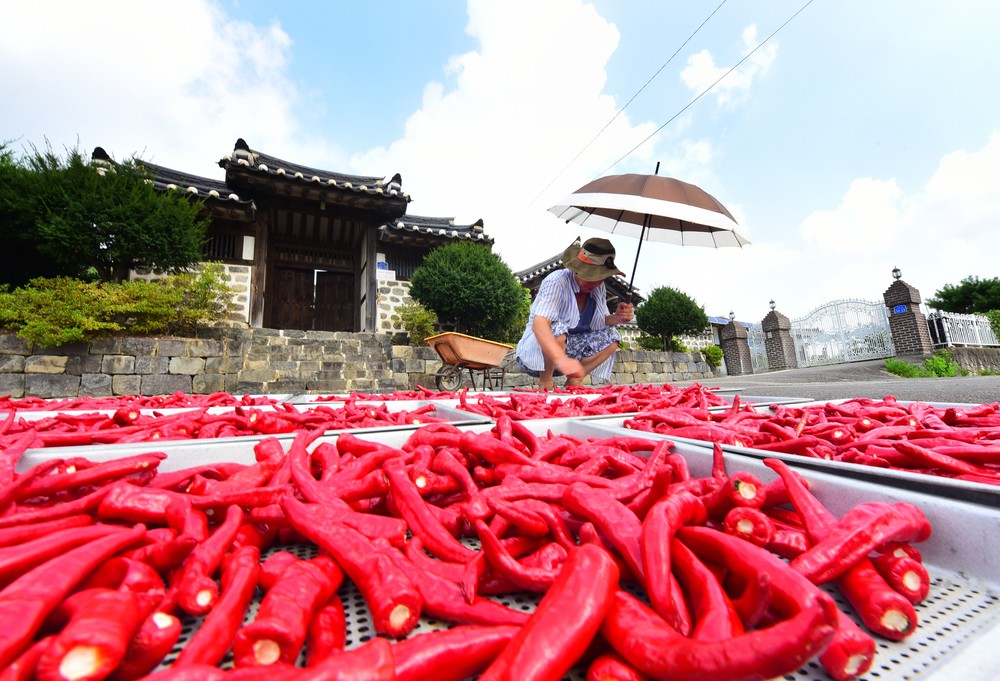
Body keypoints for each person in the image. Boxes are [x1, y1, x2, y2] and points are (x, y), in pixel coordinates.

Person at [515, 237, 635, 390]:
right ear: (578, 268)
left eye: (600, 277)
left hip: (570, 357)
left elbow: (599, 323)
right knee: (558, 327)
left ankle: (574, 381)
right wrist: (560, 358)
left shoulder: (598, 288)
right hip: (538, 355)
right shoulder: (556, 282)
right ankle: (545, 382)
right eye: (591, 276)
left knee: (612, 335)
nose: (596, 282)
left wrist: (616, 318)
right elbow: (539, 324)